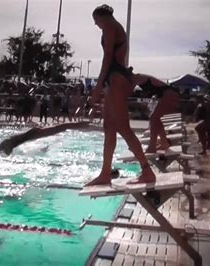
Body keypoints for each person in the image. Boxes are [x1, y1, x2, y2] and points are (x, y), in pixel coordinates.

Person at [85, 4, 155, 186]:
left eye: (96, 20)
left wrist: (98, 86)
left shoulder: (110, 26)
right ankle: (106, 172)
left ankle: (147, 171)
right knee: (109, 127)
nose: (96, 25)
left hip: (116, 79)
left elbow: (108, 57)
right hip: (115, 79)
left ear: (102, 17)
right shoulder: (115, 27)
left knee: (123, 128)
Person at [0, 121, 91, 166]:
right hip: (32, 135)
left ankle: (84, 123)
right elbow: (27, 150)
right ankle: (83, 124)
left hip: (34, 133)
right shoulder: (11, 145)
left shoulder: (5, 144)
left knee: (61, 128)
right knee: (60, 128)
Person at [132, 73, 180, 153]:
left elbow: (128, 91)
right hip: (170, 93)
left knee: (153, 118)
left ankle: (152, 146)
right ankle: (164, 142)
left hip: (169, 93)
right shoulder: (138, 78)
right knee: (155, 118)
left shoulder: (136, 78)